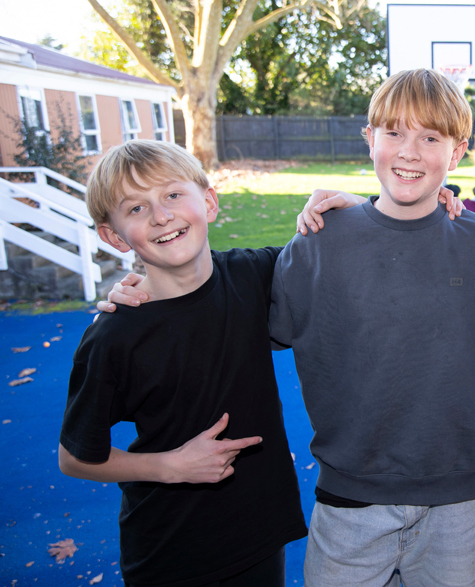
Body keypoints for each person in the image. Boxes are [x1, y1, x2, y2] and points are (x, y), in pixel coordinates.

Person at [268, 68, 475, 587]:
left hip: (461, 504)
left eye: (430, 137)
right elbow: (239, 312)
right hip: (349, 505)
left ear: (457, 153)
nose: (409, 151)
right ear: (369, 140)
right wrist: (151, 283)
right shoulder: (319, 243)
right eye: (394, 133)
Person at [58, 140, 308, 587]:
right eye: (135, 208)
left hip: (260, 533)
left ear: (208, 202)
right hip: (171, 550)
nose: (160, 215)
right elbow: (75, 458)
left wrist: (434, 196)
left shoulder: (252, 276)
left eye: (173, 195)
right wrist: (172, 466)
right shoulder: (115, 334)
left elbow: (345, 230)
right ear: (114, 237)